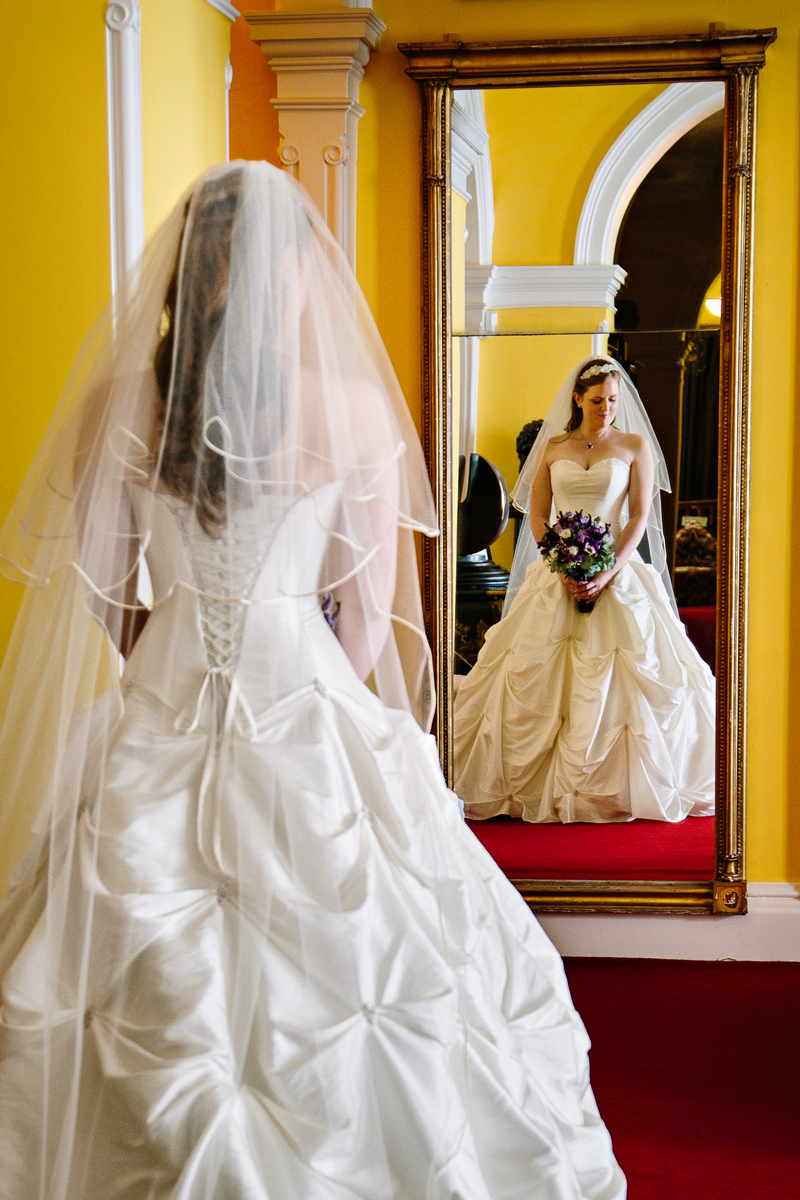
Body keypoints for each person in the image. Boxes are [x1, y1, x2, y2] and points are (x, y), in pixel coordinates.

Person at [0, 165, 624, 1198]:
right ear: (292, 276)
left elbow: (108, 594)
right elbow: (367, 623)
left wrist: (172, 656)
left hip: (156, 705)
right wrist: (301, 690)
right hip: (304, 696)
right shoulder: (345, 407)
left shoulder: (120, 404)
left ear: (183, 274)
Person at [454, 356, 716, 825]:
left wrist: (605, 570)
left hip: (617, 570)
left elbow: (637, 517)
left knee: (631, 674)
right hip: (557, 571)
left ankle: (615, 787)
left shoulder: (635, 446)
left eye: (613, 400)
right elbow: (536, 515)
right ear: (578, 399)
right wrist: (560, 562)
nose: (607, 409)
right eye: (597, 401)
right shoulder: (552, 447)